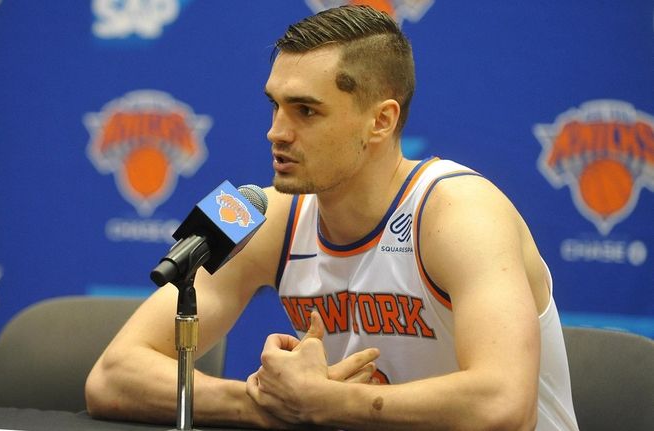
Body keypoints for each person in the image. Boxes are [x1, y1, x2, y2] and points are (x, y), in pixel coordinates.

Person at [85, 5, 579, 430]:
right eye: (275, 106)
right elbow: (112, 375)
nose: (276, 133)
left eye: (305, 111)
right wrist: (261, 403)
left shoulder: (461, 211)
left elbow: (506, 407)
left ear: (381, 120)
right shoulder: (261, 209)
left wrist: (334, 404)